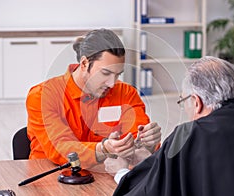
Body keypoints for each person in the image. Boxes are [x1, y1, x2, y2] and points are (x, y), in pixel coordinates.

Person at [105, 56, 234, 196]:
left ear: (197, 103)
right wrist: (149, 160)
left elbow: (152, 194)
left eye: (184, 101)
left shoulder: (187, 135)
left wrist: (121, 172)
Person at [26, 28, 161, 169]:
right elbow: (60, 147)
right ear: (84, 64)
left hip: (107, 179)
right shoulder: (43, 96)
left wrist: (147, 144)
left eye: (117, 74)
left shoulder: (126, 93)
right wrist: (104, 149)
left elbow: (136, 139)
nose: (112, 83)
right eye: (105, 73)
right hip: (52, 178)